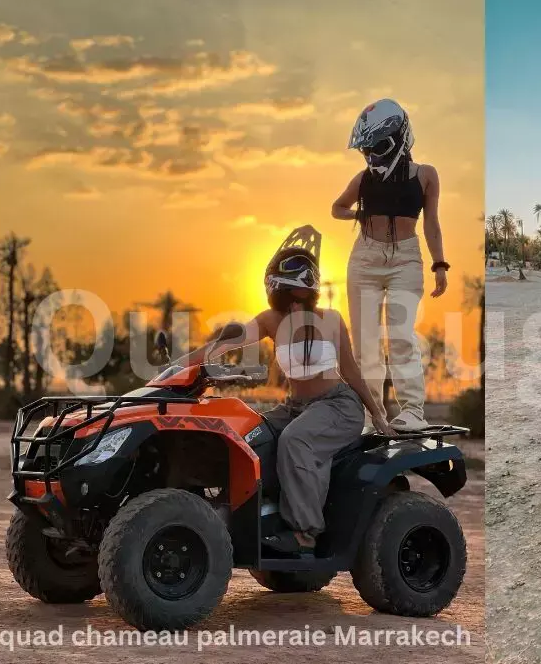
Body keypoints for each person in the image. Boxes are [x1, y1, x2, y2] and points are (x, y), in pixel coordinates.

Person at [171, 232, 396, 553]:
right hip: (295, 407)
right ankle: (258, 516)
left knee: (295, 440)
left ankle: (306, 532)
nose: (292, 300)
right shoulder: (270, 321)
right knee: (247, 435)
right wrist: (177, 367)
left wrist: (377, 413)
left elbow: (350, 371)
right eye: (286, 292)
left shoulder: (331, 320)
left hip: (338, 406)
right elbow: (225, 343)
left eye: (296, 291)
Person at [332, 99, 449, 431]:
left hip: (406, 260)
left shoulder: (426, 175)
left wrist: (440, 264)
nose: (372, 156)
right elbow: (336, 208)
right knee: (365, 344)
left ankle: (413, 411)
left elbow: (432, 223)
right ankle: (373, 416)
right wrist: (359, 214)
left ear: (400, 137)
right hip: (364, 260)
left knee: (400, 336)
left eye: (378, 147)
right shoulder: (363, 179)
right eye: (367, 150)